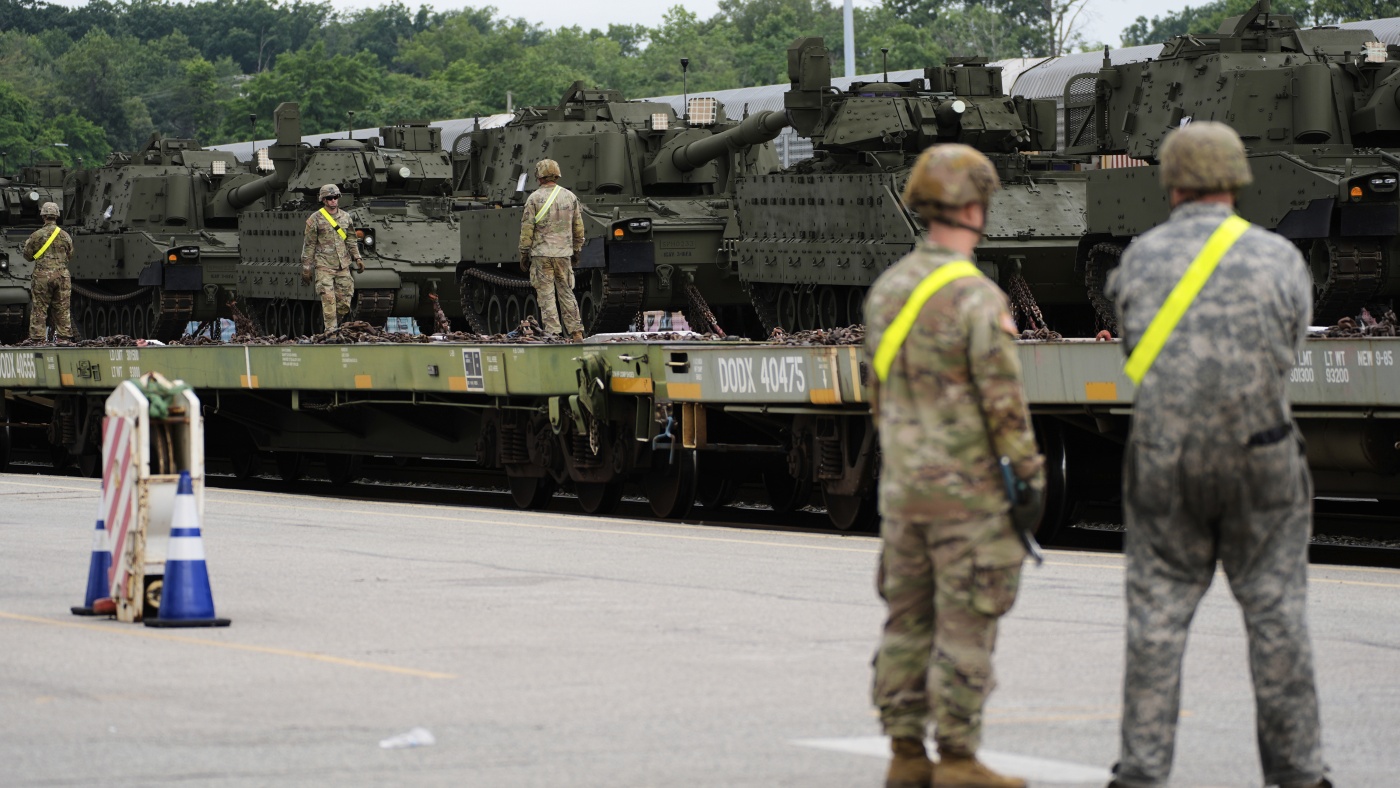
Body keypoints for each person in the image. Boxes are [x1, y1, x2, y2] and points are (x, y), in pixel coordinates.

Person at [1104, 121, 1329, 788]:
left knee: (1156, 619)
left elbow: (1133, 348)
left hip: (1165, 457)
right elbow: (1289, 351)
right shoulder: (1278, 257)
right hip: (1262, 453)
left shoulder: (1140, 258)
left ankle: (1141, 772)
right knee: (1277, 615)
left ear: (1171, 182)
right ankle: (1298, 772)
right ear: (1237, 178)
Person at [864, 144, 1044, 788]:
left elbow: (878, 395)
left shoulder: (887, 291)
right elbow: (1004, 404)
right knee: (967, 620)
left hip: (903, 491)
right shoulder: (975, 295)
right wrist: (1029, 478)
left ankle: (905, 754)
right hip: (967, 496)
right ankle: (960, 758)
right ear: (974, 208)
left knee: (907, 621)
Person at [518, 159, 585, 340]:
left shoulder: (534, 198)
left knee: (546, 296)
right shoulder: (570, 197)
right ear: (557, 175)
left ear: (539, 177)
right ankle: (576, 331)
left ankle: (553, 333)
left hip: (541, 255)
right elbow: (578, 228)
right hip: (563, 254)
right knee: (566, 292)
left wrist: (524, 253)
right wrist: (576, 250)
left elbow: (527, 229)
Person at [301, 183, 364, 332]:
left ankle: (334, 325)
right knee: (329, 301)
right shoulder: (315, 219)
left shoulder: (346, 217)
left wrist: (357, 258)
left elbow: (351, 240)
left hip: (343, 266)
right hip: (324, 266)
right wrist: (306, 267)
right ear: (323, 200)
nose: (333, 200)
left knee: (344, 303)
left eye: (336, 197)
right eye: (330, 198)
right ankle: (331, 333)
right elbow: (309, 244)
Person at [23, 201, 74, 342]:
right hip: (62, 276)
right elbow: (70, 255)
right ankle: (64, 338)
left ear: (43, 216)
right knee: (62, 308)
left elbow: (27, 256)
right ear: (57, 216)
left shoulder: (36, 235)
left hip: (42, 276)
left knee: (39, 308)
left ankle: (38, 338)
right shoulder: (65, 235)